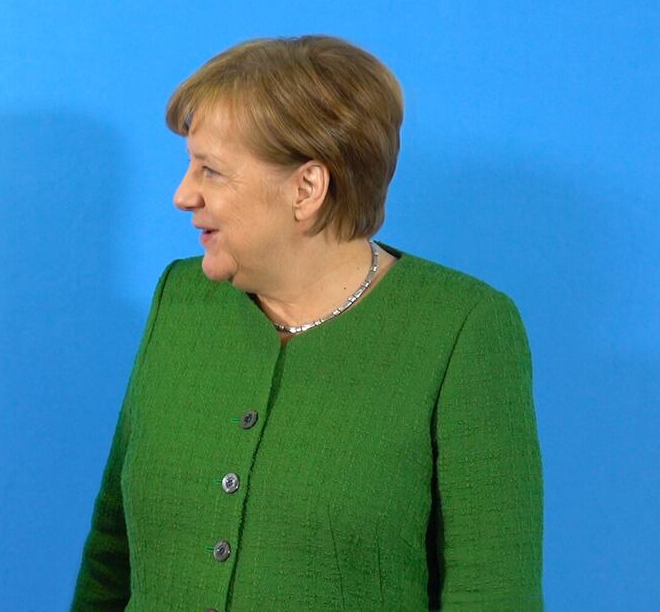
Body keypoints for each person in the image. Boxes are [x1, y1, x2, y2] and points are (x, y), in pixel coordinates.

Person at [72, 36, 542, 610]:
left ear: (306, 188)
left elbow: (491, 593)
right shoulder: (181, 298)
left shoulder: (462, 328)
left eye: (211, 171)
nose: (182, 194)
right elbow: (110, 552)